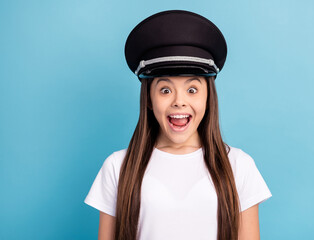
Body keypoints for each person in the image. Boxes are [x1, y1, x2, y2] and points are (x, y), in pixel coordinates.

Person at [84, 9, 272, 240]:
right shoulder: (118, 167)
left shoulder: (239, 166)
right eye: (165, 90)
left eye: (192, 90)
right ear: (150, 100)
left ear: (207, 98)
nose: (179, 101)